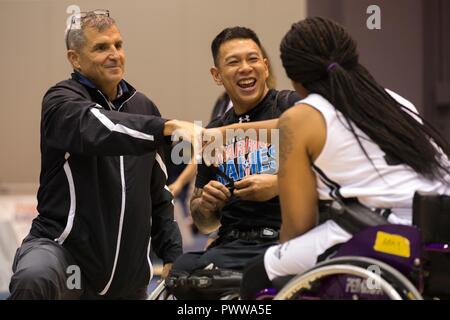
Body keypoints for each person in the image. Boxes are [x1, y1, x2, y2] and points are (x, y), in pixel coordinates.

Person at [239, 17, 450, 299]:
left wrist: (283, 254)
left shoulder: (299, 118)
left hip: (394, 241)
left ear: (294, 78)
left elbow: (299, 226)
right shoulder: (395, 101)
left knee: (257, 273)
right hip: (440, 237)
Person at [8, 10, 201, 300]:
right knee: (36, 275)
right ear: (75, 59)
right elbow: (98, 127)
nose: (114, 55)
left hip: (127, 274)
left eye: (118, 45)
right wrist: (167, 127)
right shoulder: (61, 101)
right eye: (100, 47)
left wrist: (173, 254)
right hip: (68, 263)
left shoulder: (144, 108)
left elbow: (158, 194)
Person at [168, 26, 300, 299]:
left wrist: (278, 184)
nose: (245, 68)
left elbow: (320, 172)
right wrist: (207, 204)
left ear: (265, 66)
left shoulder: (290, 105)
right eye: (233, 62)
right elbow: (204, 223)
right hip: (231, 242)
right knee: (180, 274)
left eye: (252, 59)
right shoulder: (214, 131)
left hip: (283, 240)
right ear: (217, 76)